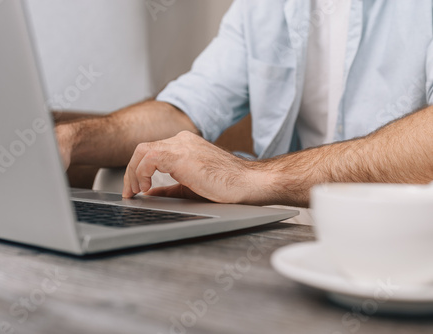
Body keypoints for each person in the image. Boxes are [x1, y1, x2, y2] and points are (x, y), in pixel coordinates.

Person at [55, 0, 433, 207]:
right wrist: (72, 139)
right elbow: (183, 109)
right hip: (291, 220)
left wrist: (257, 177)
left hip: (402, 230)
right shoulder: (262, 8)